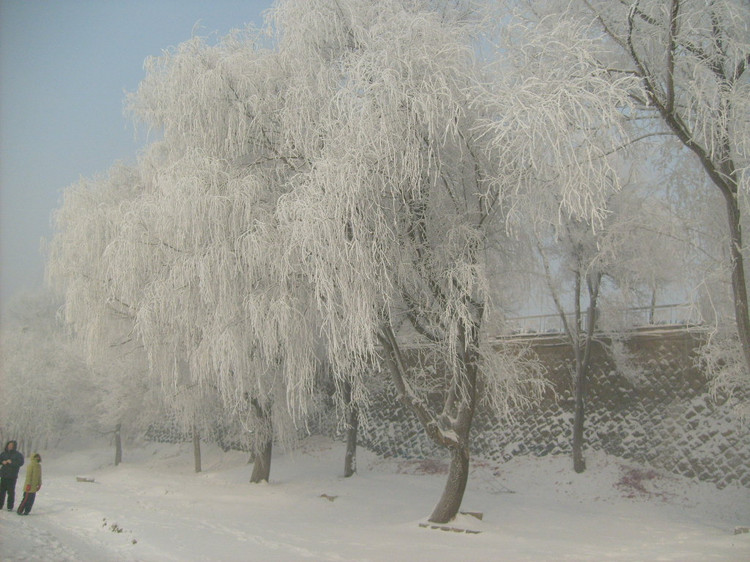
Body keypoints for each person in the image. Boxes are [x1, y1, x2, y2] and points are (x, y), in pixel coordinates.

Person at [0, 440, 25, 511]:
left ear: (14, 446)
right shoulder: (3, 454)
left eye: (11, 445)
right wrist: (2, 462)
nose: (10, 446)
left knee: (11, 492)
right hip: (3, 475)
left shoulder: (18, 455)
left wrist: (12, 462)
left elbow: (21, 463)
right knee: (1, 491)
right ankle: (0, 505)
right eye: (9, 445)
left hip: (12, 476)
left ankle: (10, 506)